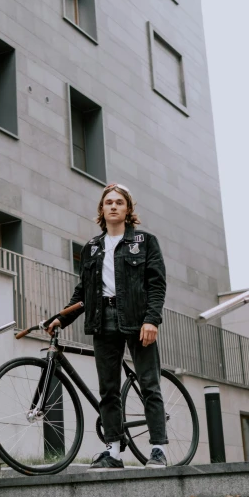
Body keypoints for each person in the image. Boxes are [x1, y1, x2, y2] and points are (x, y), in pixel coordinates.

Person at [47, 183, 168, 469]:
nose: (113, 206)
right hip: (103, 321)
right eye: (108, 202)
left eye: (119, 202)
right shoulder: (91, 248)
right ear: (102, 209)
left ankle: (158, 449)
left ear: (128, 210)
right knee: (109, 389)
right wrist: (61, 317)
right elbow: (84, 291)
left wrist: (152, 320)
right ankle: (113, 451)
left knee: (149, 384)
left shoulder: (145, 241)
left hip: (138, 320)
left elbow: (156, 284)